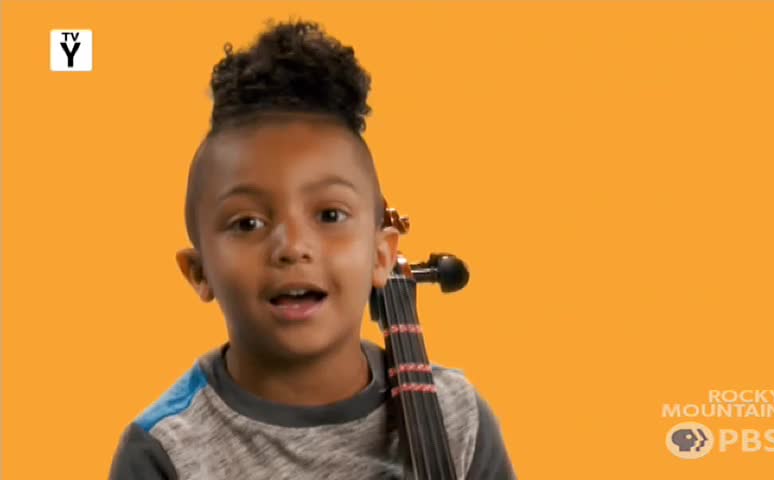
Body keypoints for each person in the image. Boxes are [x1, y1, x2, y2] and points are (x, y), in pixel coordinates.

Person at [108, 18, 515, 479]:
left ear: (381, 255)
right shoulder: (166, 450)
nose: (293, 247)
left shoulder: (458, 419)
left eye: (330, 216)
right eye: (248, 223)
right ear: (199, 273)